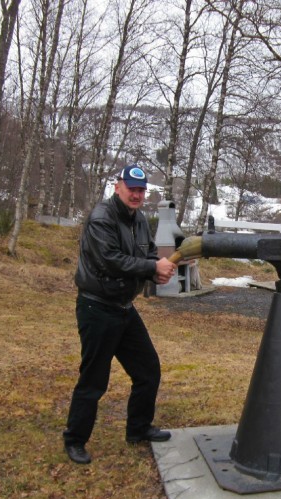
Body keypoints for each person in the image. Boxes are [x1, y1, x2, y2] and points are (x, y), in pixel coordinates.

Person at [63, 164, 178, 464]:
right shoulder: (101, 218)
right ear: (118, 187)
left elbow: (148, 254)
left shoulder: (139, 219)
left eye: (141, 190)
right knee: (94, 380)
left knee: (148, 370)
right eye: (132, 189)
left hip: (125, 308)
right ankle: (74, 440)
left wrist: (158, 272)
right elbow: (111, 261)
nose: (137, 195)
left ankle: (138, 430)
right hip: (97, 308)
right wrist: (153, 268)